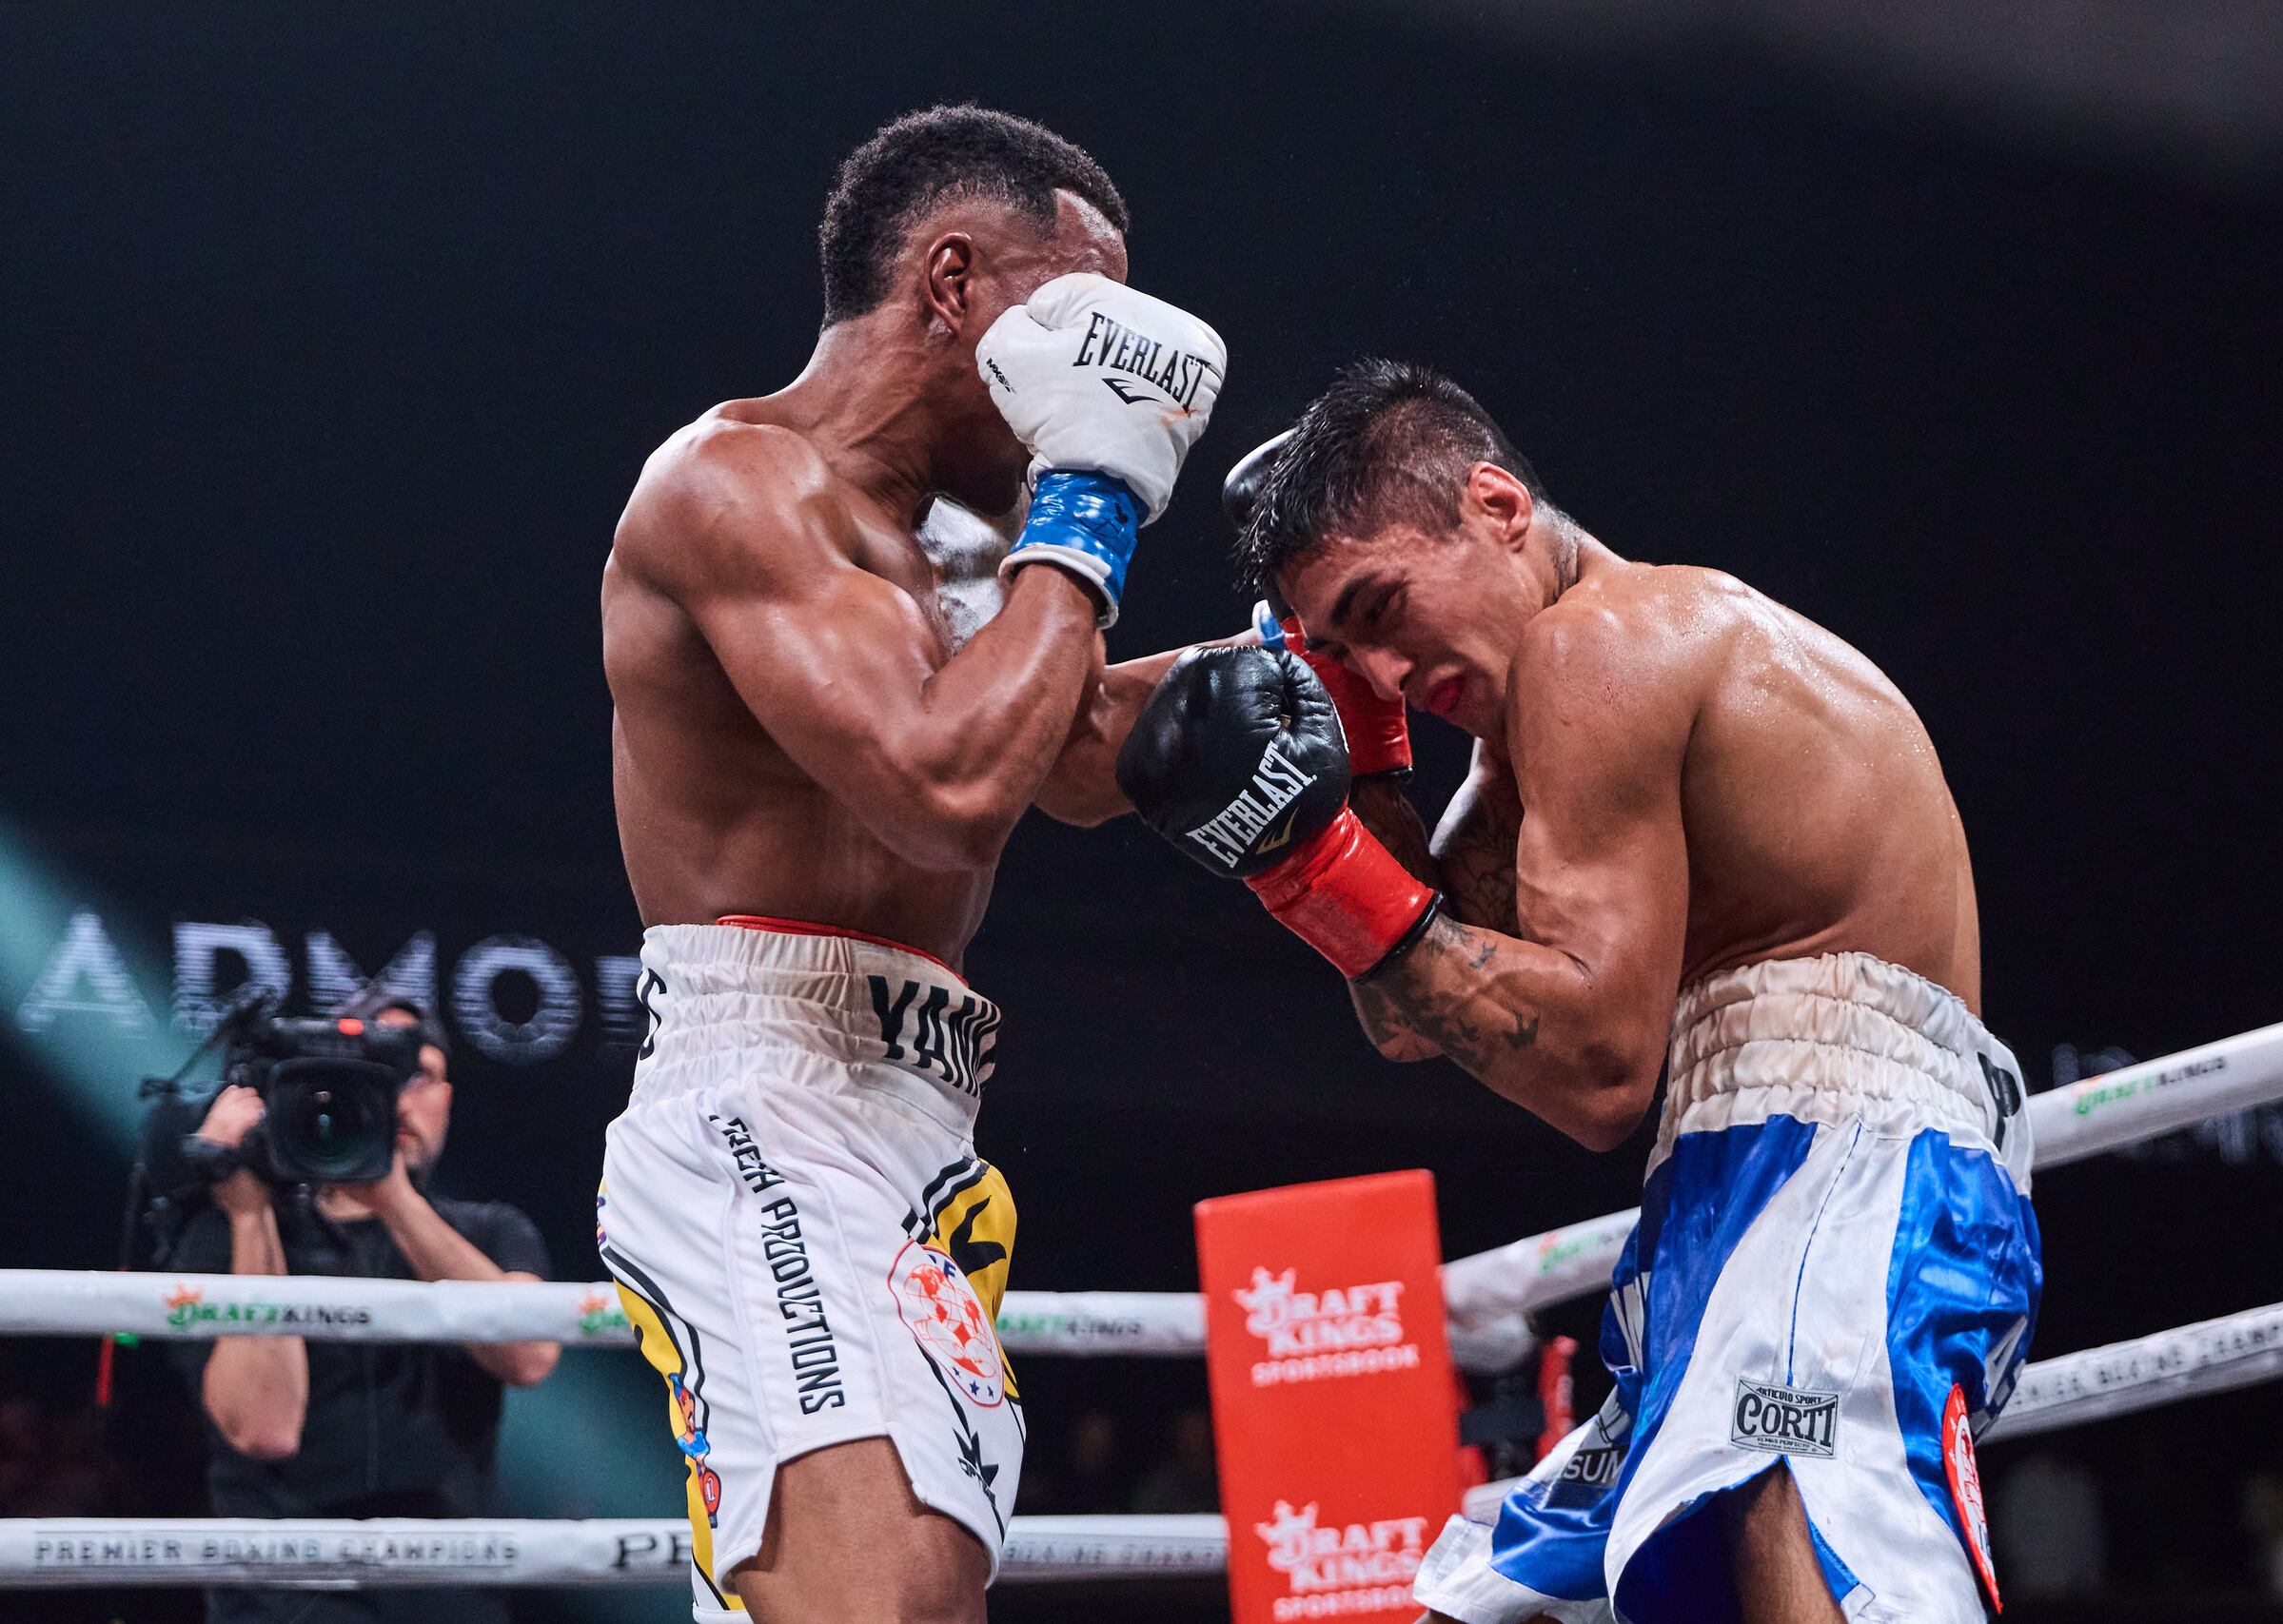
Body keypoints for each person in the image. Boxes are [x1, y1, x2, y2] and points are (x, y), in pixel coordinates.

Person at [1114, 360, 2040, 1622]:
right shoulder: (1523, 739)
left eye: (1384, 606)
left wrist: (1313, 857)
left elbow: (1600, 1068)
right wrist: (1353, 765)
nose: (1385, 668)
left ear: (1498, 505)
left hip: (1848, 1169)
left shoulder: (1602, 643)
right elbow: (1410, 1010)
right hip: (1745, 1180)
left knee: (1797, 1519)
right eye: (1346, 649)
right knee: (1510, 1593)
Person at [595, 105, 1225, 1624]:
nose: (1112, 366)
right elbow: (944, 786)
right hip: (769, 1094)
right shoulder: (739, 486)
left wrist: (1298, 667)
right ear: (950, 281)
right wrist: (1090, 500)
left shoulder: (971, 532)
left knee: (914, 1590)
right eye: (1083, 314)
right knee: (880, 1598)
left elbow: (1054, 756)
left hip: (919, 1121)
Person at [167, 991, 558, 1624]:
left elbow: (531, 1354)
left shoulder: (493, 1231)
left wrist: (391, 1197)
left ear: (446, 1099)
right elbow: (265, 1428)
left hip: (448, 1597)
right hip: (279, 1602)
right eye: (374, 1075)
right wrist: (249, 1209)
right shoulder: (228, 1233)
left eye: (417, 1074)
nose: (398, 1096)